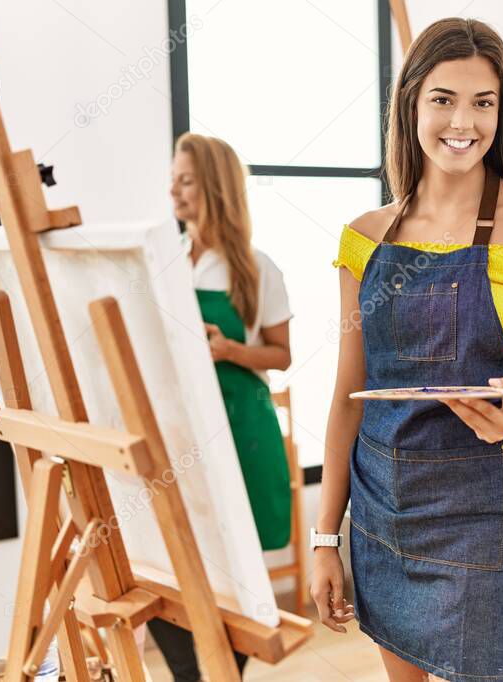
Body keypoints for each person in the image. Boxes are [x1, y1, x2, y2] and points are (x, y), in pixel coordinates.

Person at [313, 17, 503, 682]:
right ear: (410, 101)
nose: (461, 122)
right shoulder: (365, 237)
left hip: (488, 520)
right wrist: (327, 537)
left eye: (483, 102)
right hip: (385, 515)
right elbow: (347, 397)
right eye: (442, 99)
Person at [146, 131, 294, 679]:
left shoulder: (256, 268)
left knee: (235, 568)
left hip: (241, 426)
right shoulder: (169, 262)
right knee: (170, 561)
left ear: (213, 187)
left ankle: (223, 672)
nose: (175, 194)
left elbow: (280, 355)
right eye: (172, 182)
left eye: (185, 181)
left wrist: (228, 349)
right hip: (181, 430)